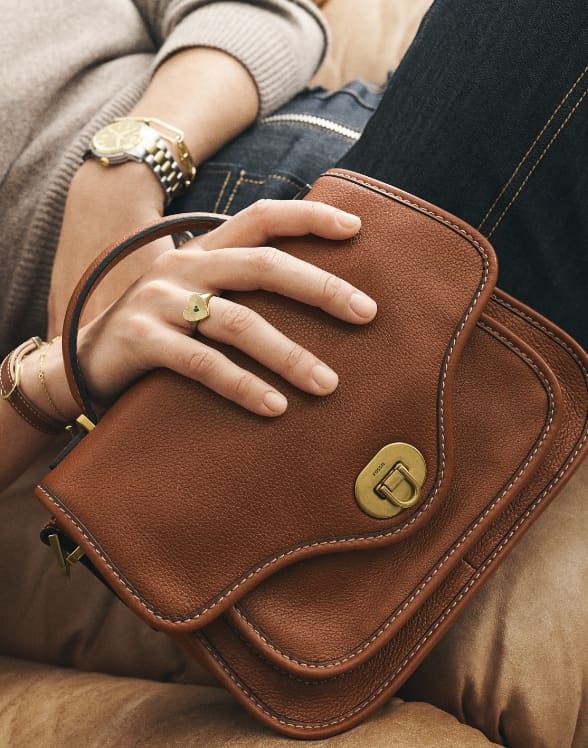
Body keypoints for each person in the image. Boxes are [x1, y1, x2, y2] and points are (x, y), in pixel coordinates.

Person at [0, 1, 586, 747]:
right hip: (234, 306)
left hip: (377, 126)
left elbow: (264, 14)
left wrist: (121, 165)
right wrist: (58, 375)